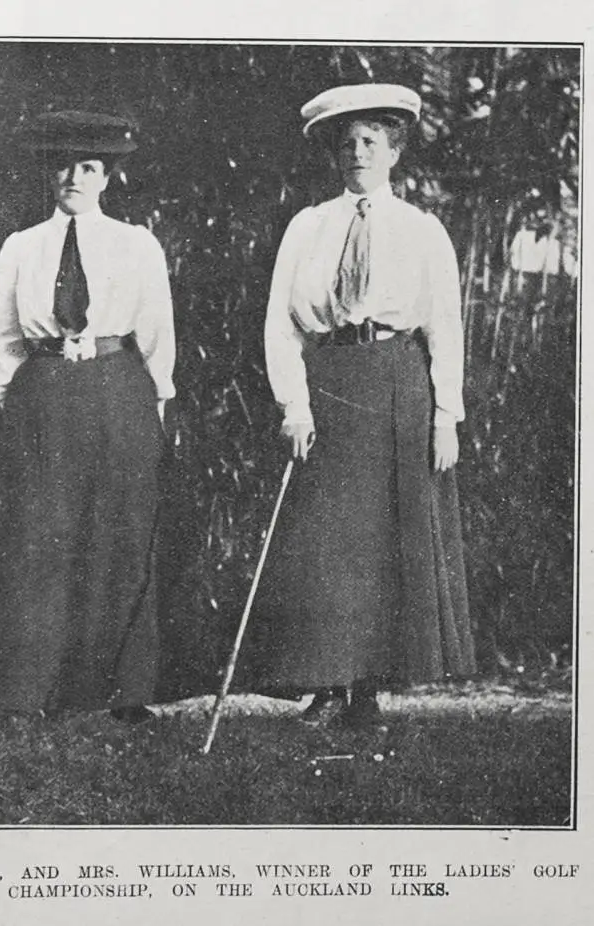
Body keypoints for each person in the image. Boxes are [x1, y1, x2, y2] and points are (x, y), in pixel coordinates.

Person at [256, 84, 476, 727]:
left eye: (371, 142)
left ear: (394, 151)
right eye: (347, 142)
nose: (358, 153)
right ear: (333, 153)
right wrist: (293, 405)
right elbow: (280, 325)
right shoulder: (308, 226)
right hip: (329, 378)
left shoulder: (421, 230)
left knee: (386, 535)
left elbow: (444, 326)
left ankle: (369, 686)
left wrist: (446, 417)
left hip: (396, 379)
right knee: (327, 539)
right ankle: (326, 682)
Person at [0, 111, 175, 723]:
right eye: (63, 164)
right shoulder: (21, 247)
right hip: (44, 395)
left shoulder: (136, 243)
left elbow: (157, 331)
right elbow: (2, 339)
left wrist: (159, 402)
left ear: (107, 176)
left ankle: (120, 693)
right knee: (38, 535)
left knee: (119, 536)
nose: (74, 177)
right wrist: (8, 406)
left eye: (88, 166)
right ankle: (26, 691)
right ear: (47, 172)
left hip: (118, 391)